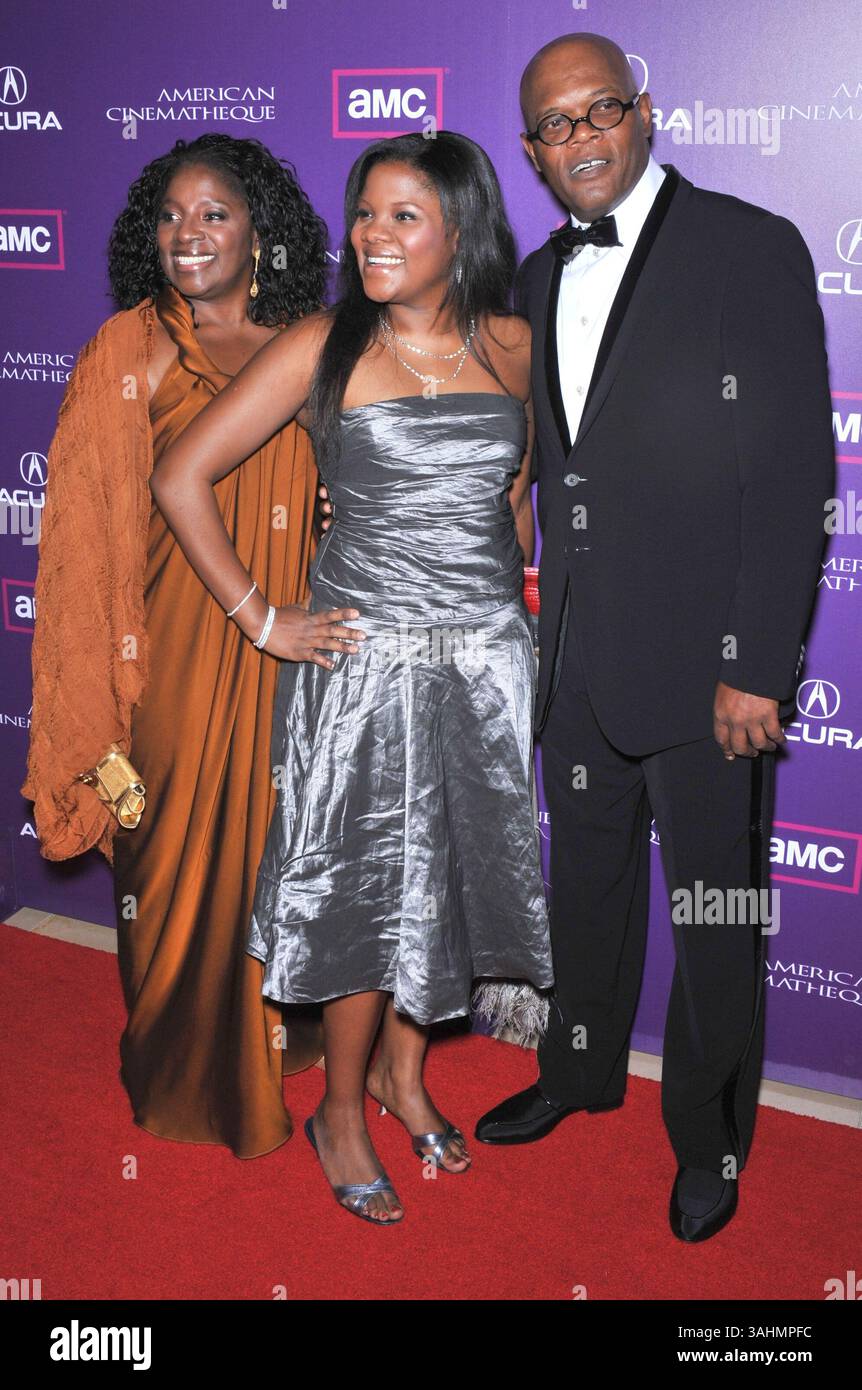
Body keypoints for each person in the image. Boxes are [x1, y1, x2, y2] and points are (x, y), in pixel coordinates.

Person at [148, 131, 554, 1224]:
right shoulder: (327, 345)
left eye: (403, 216)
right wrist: (264, 618)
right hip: (362, 669)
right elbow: (181, 474)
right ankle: (339, 1107)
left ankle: (404, 1078)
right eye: (364, 213)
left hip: (479, 668)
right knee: (368, 890)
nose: (372, 234)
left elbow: (513, 497)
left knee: (452, 887)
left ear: (460, 233)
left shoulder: (516, 344)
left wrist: (486, 598)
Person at [473, 34, 834, 1242]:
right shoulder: (528, 279)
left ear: (645, 114)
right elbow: (525, 465)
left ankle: (711, 1138)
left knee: (717, 918)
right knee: (585, 894)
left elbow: (788, 480)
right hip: (572, 660)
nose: (579, 139)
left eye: (599, 113)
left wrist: (753, 666)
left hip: (708, 675)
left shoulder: (748, 248)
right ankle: (577, 1071)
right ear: (529, 150)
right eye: (554, 126)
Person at [22, 133, 330, 1159]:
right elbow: (77, 532)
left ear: (261, 231)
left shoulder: (310, 340)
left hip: (292, 654)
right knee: (165, 854)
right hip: (164, 655)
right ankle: (177, 1065)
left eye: (214, 215)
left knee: (279, 859)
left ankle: (278, 1044)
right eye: (169, 215)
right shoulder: (131, 345)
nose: (187, 235)